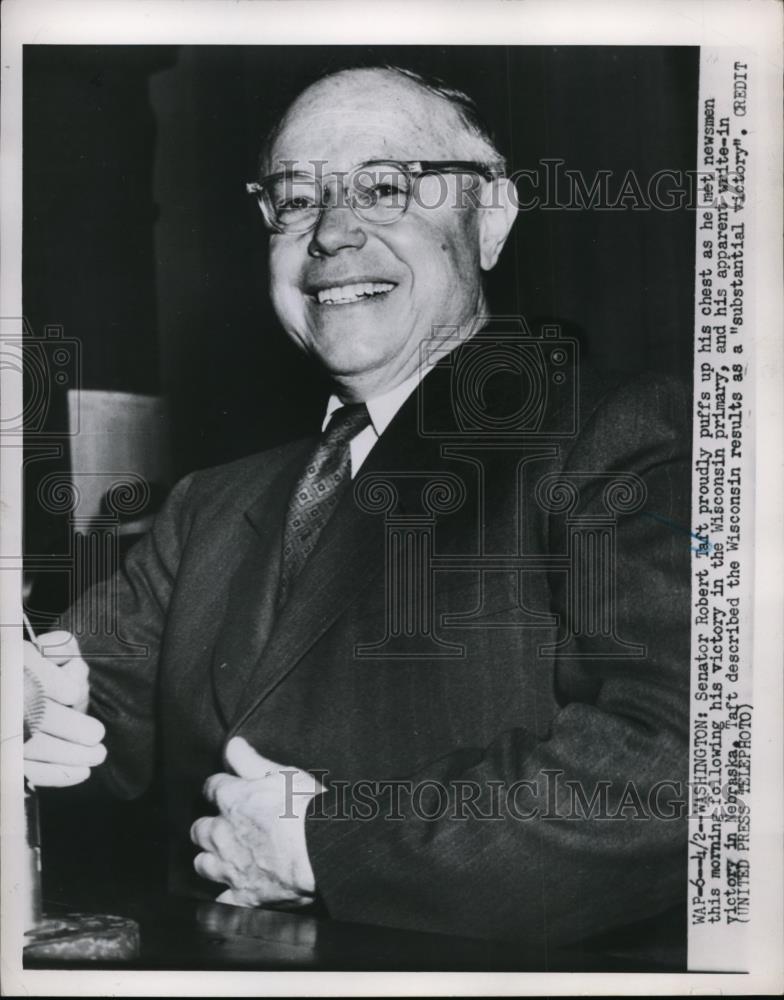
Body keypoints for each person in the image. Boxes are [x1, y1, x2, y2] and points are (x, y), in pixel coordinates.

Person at [23, 65, 692, 958]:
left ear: (489, 219)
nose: (334, 233)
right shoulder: (210, 504)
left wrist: (323, 847)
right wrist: (30, 700)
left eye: (385, 188)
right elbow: (84, 703)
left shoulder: (613, 433)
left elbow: (683, 760)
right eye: (296, 199)